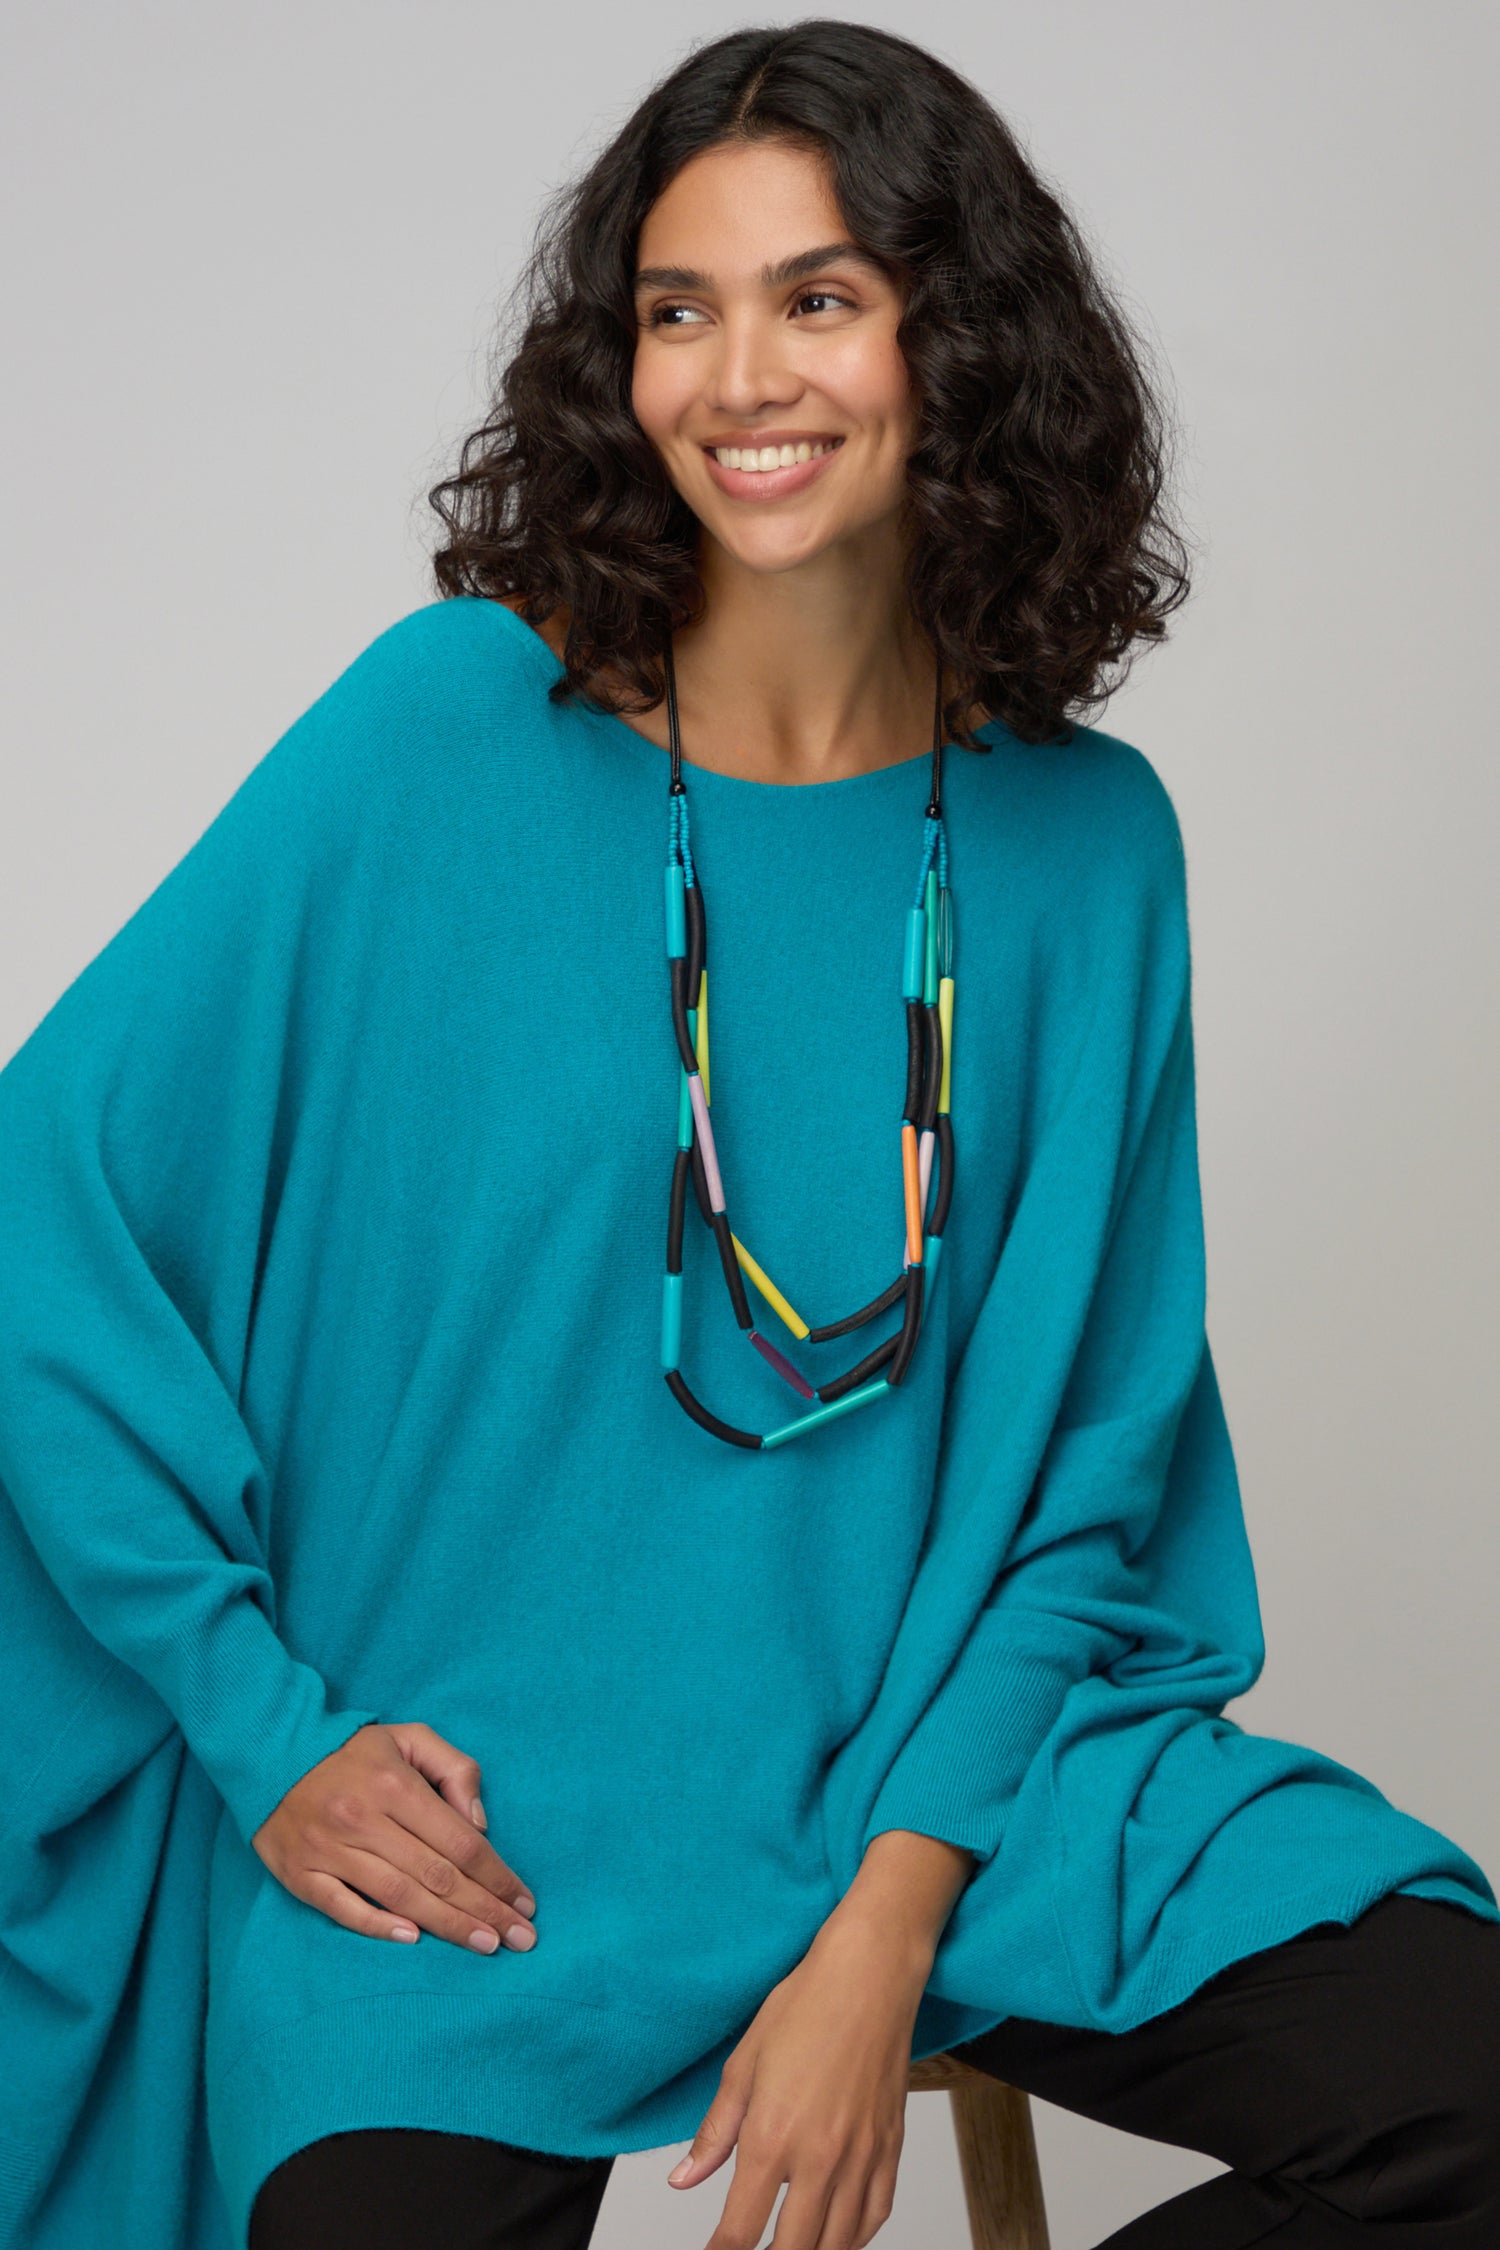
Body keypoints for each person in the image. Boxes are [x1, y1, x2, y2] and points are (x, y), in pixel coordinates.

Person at [0, 20, 1495, 2250]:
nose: (738, 377)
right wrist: (264, 1723)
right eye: (677, 311)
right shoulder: (444, 736)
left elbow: (1089, 1480)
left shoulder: (1088, 849)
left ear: (953, 340)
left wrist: (881, 1931)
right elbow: (45, 1208)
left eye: (818, 297)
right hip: (496, 1817)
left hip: (951, 1782)